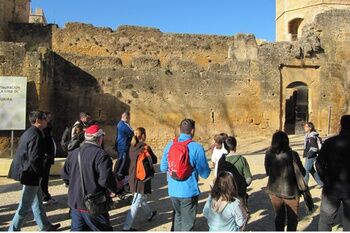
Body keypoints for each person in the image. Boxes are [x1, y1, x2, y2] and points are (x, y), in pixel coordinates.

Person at [8, 110, 61, 231]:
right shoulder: (36, 135)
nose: (46, 120)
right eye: (44, 118)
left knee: (37, 203)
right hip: (31, 175)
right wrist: (40, 174)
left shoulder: (31, 132)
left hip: (30, 173)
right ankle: (13, 230)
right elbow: (34, 158)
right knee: (24, 206)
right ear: (38, 121)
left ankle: (45, 226)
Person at [61, 124, 118, 231]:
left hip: (76, 203)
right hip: (94, 204)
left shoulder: (73, 153)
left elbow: (65, 176)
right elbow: (105, 180)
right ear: (99, 138)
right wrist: (112, 190)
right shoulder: (101, 155)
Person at [161, 118, 211, 231]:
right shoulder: (197, 147)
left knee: (178, 218)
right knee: (187, 224)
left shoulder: (170, 144)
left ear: (180, 129)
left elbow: (163, 167)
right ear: (192, 131)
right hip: (189, 191)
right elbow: (205, 174)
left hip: (173, 190)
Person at [264, 131, 305, 231]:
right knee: (292, 219)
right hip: (291, 192)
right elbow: (302, 172)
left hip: (274, 190)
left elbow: (267, 171)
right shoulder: (293, 155)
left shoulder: (269, 154)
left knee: (279, 216)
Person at [316, 115, 350, 231]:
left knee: (326, 220)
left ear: (341, 125)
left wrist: (325, 178)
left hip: (331, 187)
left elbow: (319, 164)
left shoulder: (330, 142)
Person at [123, 127, 157, 231]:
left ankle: (149, 214)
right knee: (136, 202)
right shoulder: (145, 147)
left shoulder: (132, 146)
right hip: (141, 178)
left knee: (141, 198)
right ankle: (126, 227)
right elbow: (154, 160)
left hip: (133, 176)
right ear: (143, 135)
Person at [217, 136, 252, 206]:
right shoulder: (242, 159)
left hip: (226, 194)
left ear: (225, 147)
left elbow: (219, 178)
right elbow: (249, 178)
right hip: (240, 193)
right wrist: (243, 185)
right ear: (235, 145)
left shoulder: (221, 161)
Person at [41, 111, 58, 205]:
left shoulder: (47, 128)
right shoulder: (43, 130)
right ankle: (44, 197)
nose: (50, 119)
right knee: (43, 179)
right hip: (45, 159)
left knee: (45, 178)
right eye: (48, 117)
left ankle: (45, 195)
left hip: (48, 158)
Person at [114, 111, 134, 180]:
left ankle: (118, 172)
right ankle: (119, 174)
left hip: (122, 144)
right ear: (126, 117)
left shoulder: (121, 123)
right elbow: (131, 133)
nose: (129, 119)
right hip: (123, 145)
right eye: (129, 117)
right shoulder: (123, 125)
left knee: (122, 159)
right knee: (122, 159)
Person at [303, 122, 323, 187]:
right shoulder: (308, 135)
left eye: (306, 126)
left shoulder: (311, 136)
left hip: (311, 155)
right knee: (312, 170)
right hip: (309, 155)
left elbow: (314, 148)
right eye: (304, 126)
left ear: (310, 128)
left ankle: (304, 186)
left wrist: (308, 155)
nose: (304, 127)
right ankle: (320, 183)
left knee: (306, 171)